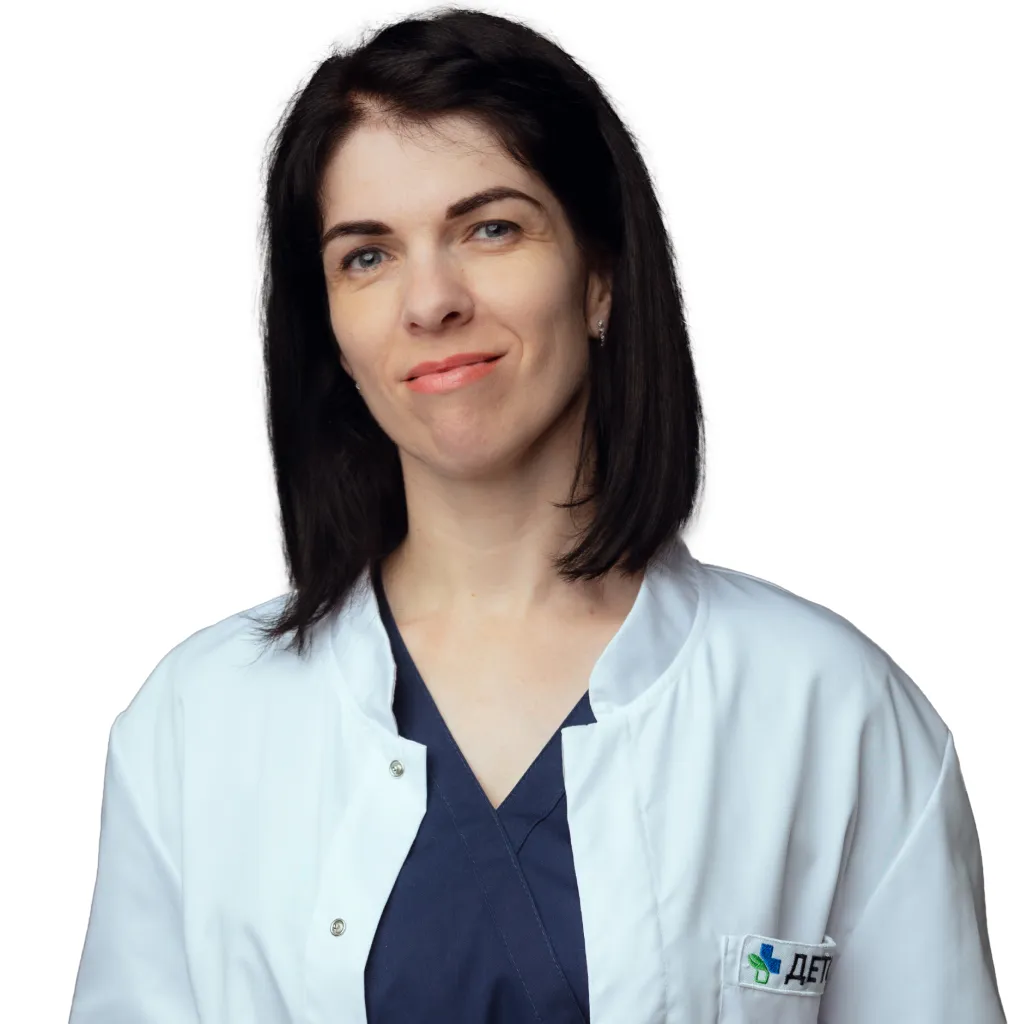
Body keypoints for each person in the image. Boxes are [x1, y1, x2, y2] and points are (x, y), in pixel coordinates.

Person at [68, 8, 1005, 1023]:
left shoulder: (829, 708)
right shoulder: (195, 724)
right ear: (331, 331)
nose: (430, 301)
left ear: (600, 276)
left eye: (491, 228)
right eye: (367, 256)